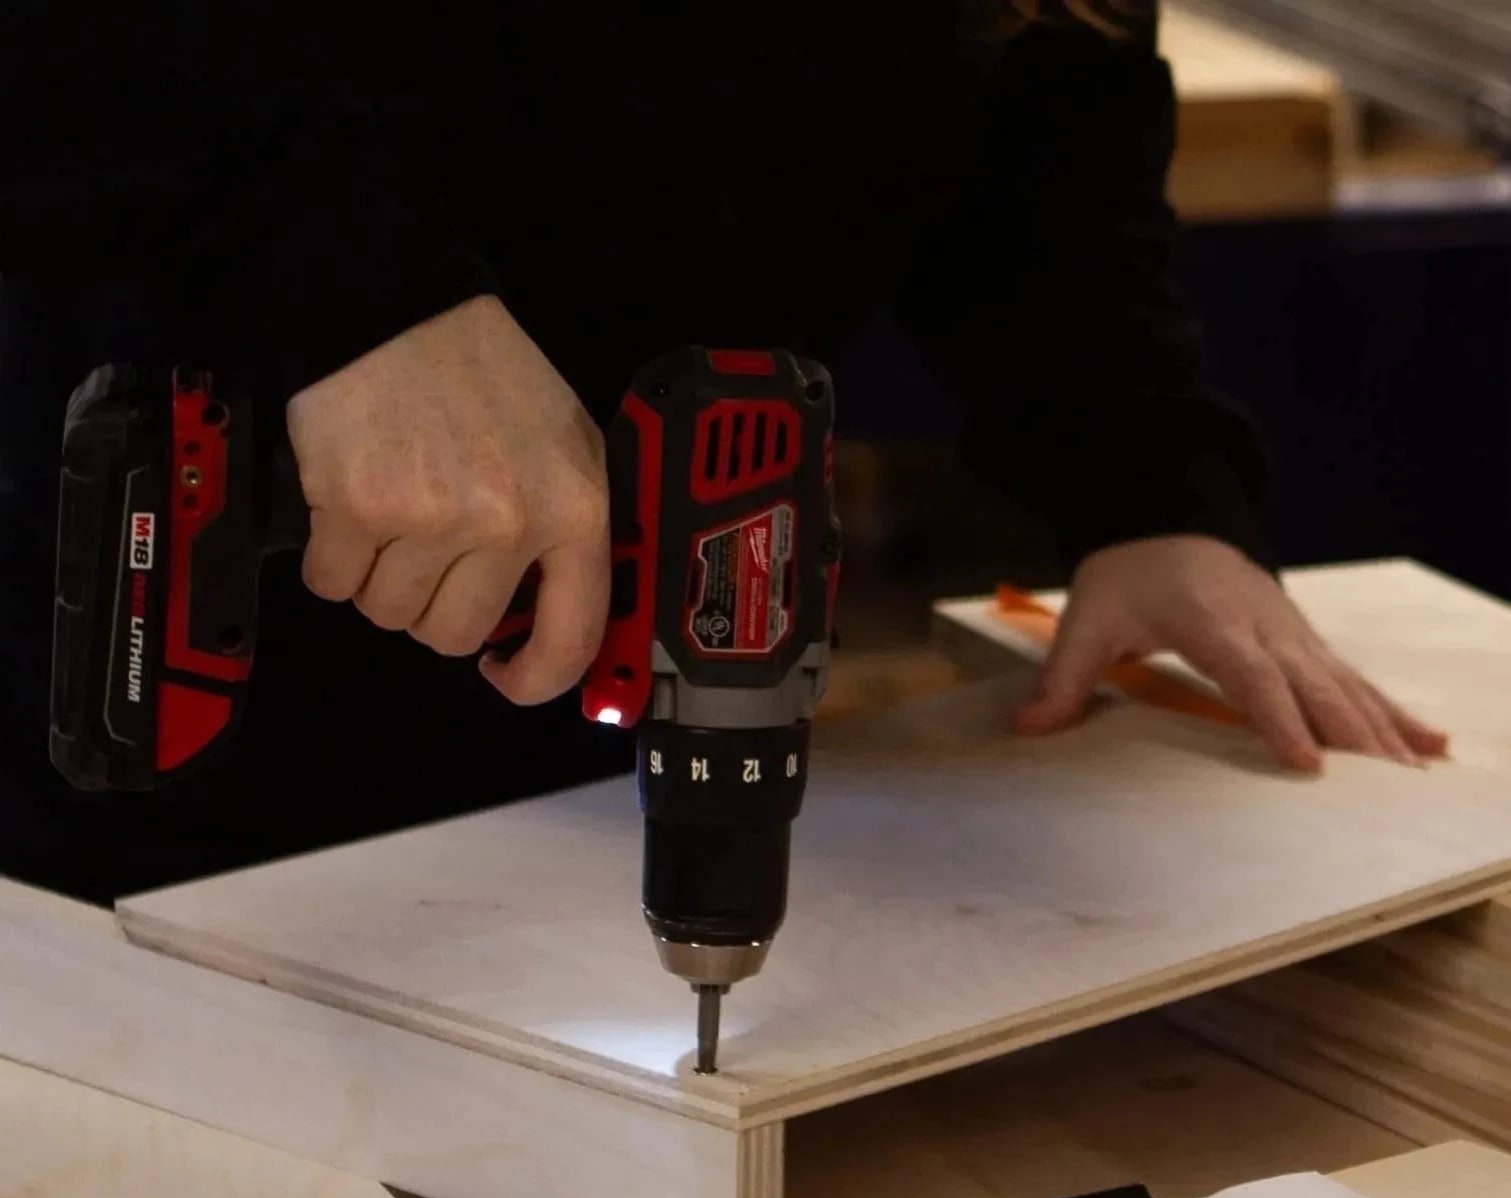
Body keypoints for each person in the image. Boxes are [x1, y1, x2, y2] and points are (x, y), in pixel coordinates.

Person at [0, 2, 1445, 904]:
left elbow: (1042, 102)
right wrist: (340, 284)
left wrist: (1147, 489)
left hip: (541, 767)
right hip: (119, 644)